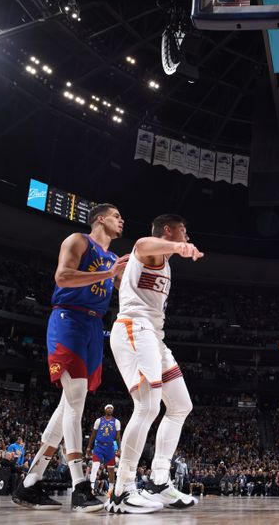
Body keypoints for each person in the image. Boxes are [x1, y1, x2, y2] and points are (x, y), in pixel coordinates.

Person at [12, 203, 126, 512]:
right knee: (75, 400)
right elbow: (62, 277)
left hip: (93, 327)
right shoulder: (78, 240)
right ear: (100, 219)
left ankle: (28, 484)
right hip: (68, 319)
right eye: (116, 216)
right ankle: (80, 488)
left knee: (67, 407)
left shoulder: (115, 259)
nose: (122, 221)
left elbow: (129, 287)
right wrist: (108, 272)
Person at [106, 214, 202, 514]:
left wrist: (116, 277)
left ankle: (159, 481)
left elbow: (132, 284)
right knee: (148, 406)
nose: (187, 237)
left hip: (153, 338)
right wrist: (181, 248)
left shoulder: (161, 262)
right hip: (135, 329)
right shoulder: (149, 248)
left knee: (180, 405)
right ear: (169, 231)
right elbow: (141, 242)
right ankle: (122, 489)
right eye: (184, 232)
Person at [85, 404, 121, 491]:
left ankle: (111, 489)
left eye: (112, 408)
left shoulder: (116, 421)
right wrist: (89, 448)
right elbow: (93, 435)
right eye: (108, 408)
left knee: (111, 469)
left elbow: (117, 437)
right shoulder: (99, 420)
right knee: (95, 466)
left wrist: (119, 449)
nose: (110, 409)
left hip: (110, 448)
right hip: (99, 447)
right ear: (105, 410)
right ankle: (92, 487)